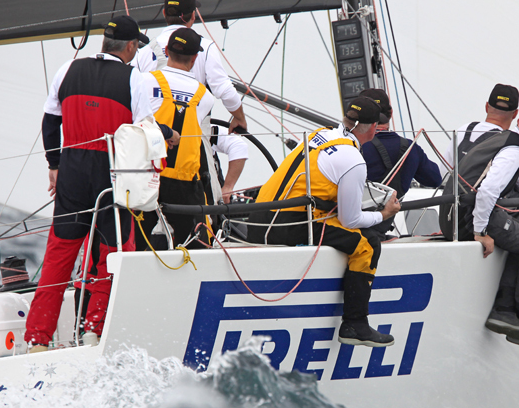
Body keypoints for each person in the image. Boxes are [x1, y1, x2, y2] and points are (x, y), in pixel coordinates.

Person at [25, 16, 176, 352]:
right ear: (132, 46)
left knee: (60, 254)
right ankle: (94, 331)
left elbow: (50, 120)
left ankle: (37, 339)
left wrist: (54, 165)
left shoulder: (67, 68)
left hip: (73, 168)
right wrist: (170, 135)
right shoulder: (136, 79)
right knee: (114, 251)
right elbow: (144, 134)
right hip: (112, 174)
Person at [246, 96, 402, 347]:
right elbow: (350, 219)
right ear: (373, 128)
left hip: (260, 216)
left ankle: (355, 322)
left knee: (354, 233)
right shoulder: (353, 159)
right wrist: (384, 214)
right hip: (285, 225)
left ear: (346, 119)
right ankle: (355, 324)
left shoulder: (322, 133)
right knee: (369, 244)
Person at [439, 88, 519, 350]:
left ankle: (507, 311)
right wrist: (479, 232)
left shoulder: (508, 142)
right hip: (469, 216)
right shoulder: (514, 149)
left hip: (454, 212)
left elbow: (518, 181)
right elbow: (487, 191)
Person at [136, 27, 216, 250]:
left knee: (133, 243)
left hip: (147, 176)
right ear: (195, 58)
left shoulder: (143, 81)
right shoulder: (205, 97)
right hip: (184, 184)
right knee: (198, 247)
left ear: (167, 51)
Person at [133, 0, 247, 134]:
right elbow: (225, 91)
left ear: (164, 13)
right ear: (193, 15)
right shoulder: (206, 47)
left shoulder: (144, 52)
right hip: (191, 136)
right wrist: (239, 119)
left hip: (152, 137)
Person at [359, 88, 442, 235]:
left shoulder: (352, 146)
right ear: (390, 114)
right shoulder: (411, 149)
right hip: (380, 228)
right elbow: (435, 179)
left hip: (349, 228)